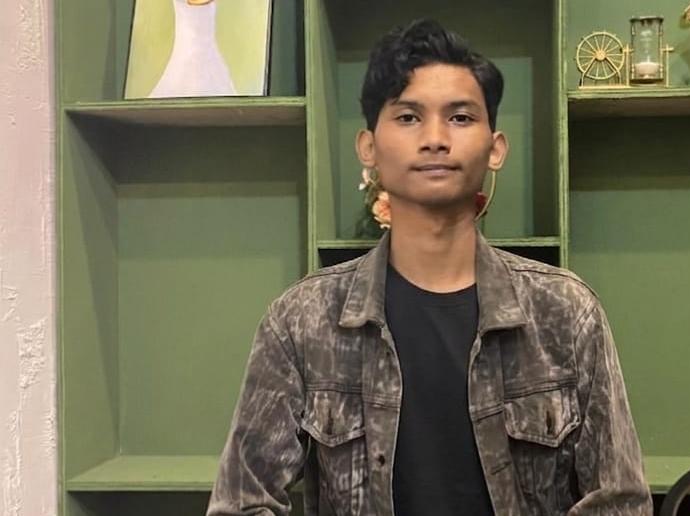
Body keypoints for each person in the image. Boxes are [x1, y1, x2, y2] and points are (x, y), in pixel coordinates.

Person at [207, 18, 651, 516]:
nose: (435, 138)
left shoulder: (565, 312)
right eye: (408, 117)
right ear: (368, 148)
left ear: (495, 148)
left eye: (460, 117)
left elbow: (621, 502)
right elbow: (241, 502)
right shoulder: (302, 319)